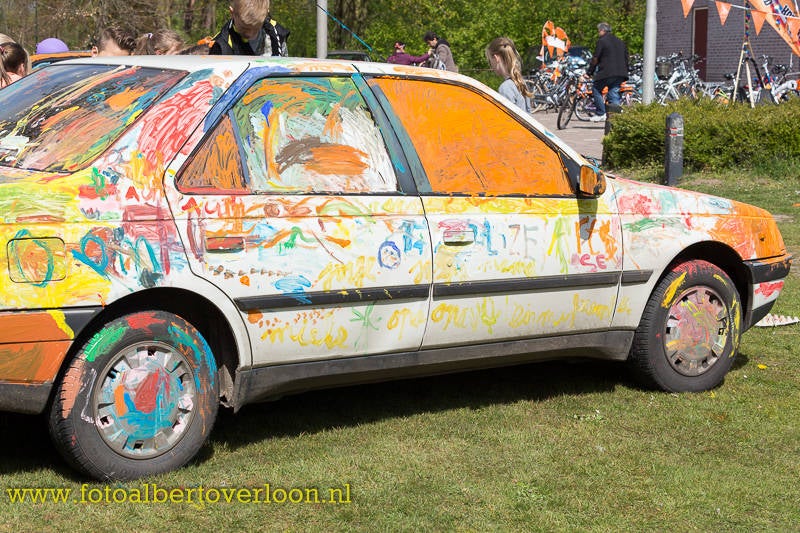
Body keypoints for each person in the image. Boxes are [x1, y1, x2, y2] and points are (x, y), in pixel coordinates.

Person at [210, 0, 289, 56]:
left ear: (266, 15)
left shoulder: (276, 35)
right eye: (244, 28)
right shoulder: (220, 44)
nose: (249, 34)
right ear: (232, 13)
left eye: (256, 29)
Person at [586, 22, 628, 122]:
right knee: (613, 94)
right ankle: (615, 119)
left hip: (607, 72)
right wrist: (626, 70)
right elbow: (626, 58)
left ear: (602, 30)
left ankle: (601, 113)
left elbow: (595, 58)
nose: (598, 33)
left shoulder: (602, 41)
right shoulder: (620, 42)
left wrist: (589, 72)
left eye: (598, 31)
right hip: (620, 73)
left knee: (596, 88)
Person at [485, 36, 532, 113]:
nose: (491, 66)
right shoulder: (521, 82)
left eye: (490, 61)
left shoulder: (505, 88)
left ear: (496, 58)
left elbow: (508, 119)